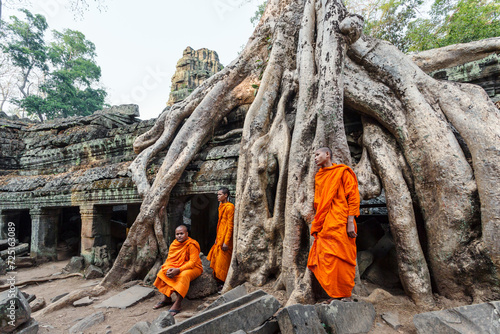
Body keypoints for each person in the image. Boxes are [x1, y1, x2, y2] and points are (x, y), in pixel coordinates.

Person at [307, 147, 360, 302]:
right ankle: (335, 293)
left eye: (318, 155)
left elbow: (353, 197)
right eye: (314, 155)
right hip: (325, 222)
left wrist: (350, 222)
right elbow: (319, 201)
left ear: (327, 154)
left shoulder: (343, 172)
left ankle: (345, 294)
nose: (315, 158)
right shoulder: (319, 176)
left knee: (342, 257)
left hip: (342, 220)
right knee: (324, 255)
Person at [153, 224, 203, 315]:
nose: (179, 236)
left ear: (187, 234)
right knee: (162, 271)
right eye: (177, 234)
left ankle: (178, 303)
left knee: (183, 275)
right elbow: (170, 260)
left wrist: (178, 270)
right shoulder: (174, 244)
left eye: (181, 233)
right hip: (177, 266)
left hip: (194, 268)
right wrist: (169, 268)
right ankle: (167, 298)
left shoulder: (192, 244)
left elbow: (192, 263)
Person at [207, 187, 235, 287]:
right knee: (215, 257)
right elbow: (220, 223)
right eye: (217, 194)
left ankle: (223, 282)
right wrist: (217, 238)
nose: (218, 196)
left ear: (226, 195)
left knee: (223, 262)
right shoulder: (221, 206)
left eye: (220, 194)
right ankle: (218, 281)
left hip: (226, 238)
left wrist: (226, 242)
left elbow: (230, 225)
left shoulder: (230, 207)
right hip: (219, 236)